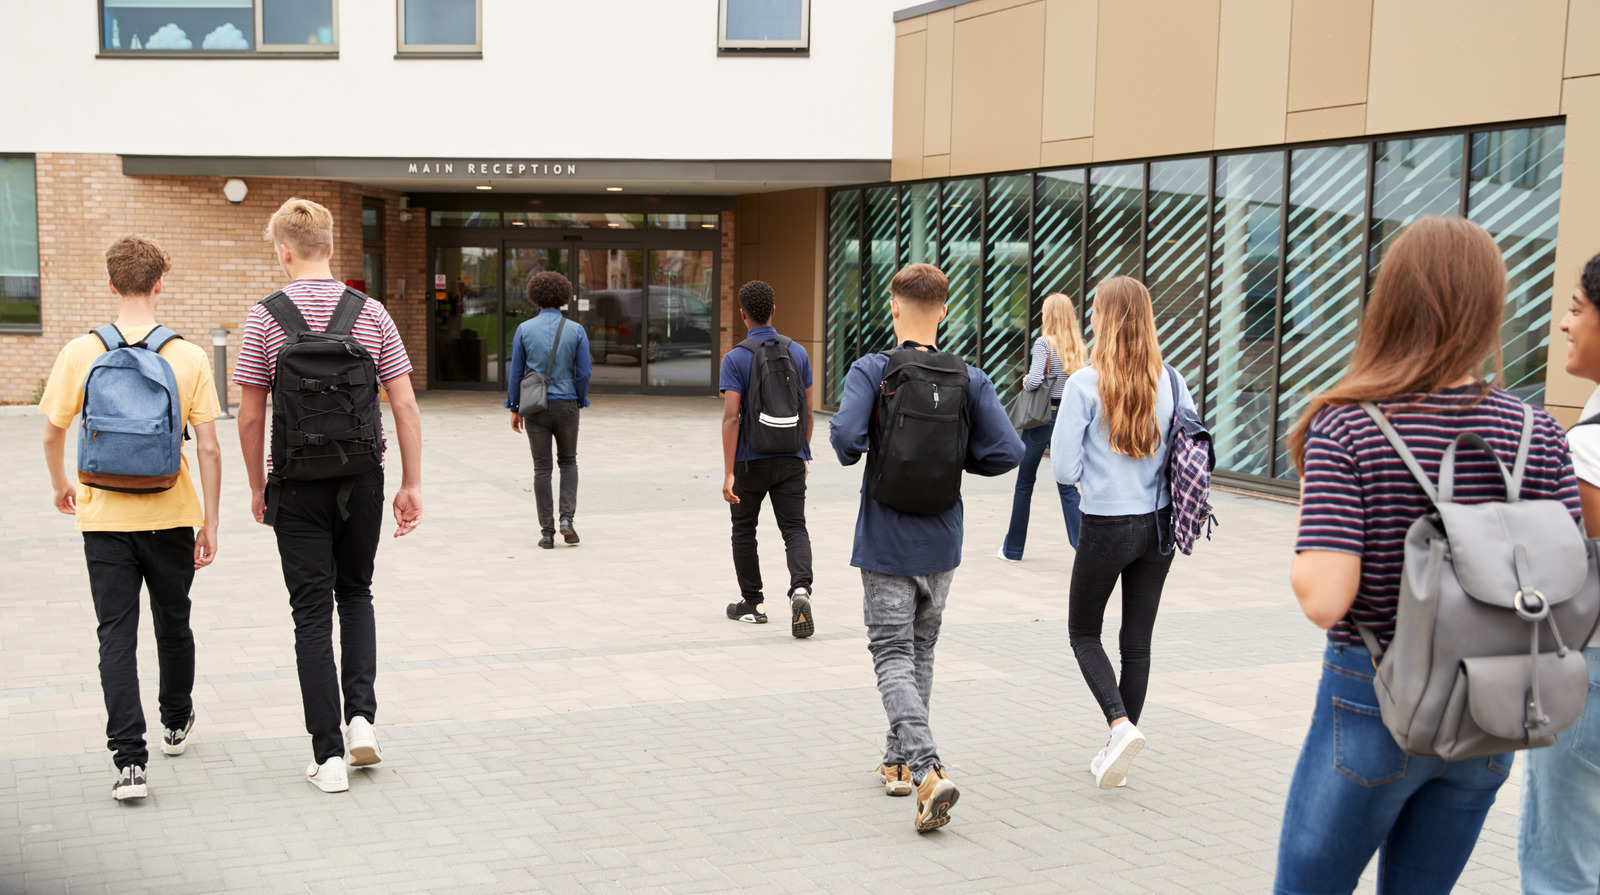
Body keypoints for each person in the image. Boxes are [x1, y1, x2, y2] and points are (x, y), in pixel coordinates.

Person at [1275, 216, 1579, 894]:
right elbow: (1570, 584)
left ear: (1390, 300)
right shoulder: (1537, 430)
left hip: (1376, 695)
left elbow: (1325, 595)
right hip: (1496, 705)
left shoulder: (1349, 423)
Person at [235, 198, 424, 794]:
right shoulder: (370, 313)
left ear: (283, 251)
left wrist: (256, 484)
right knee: (356, 592)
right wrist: (411, 484)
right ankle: (361, 719)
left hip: (294, 482)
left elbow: (247, 415)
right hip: (362, 479)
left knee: (311, 612)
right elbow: (405, 405)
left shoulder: (264, 318)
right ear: (332, 247)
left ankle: (328, 757)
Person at [829, 262, 1023, 832]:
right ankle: (895, 763)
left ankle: (927, 769)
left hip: (886, 539)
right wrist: (954, 459)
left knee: (891, 654)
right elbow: (1008, 452)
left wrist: (867, 453)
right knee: (921, 653)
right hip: (942, 540)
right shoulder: (972, 378)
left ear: (893, 306)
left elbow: (844, 437)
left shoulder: (873, 368)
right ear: (944, 310)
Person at [38, 235, 222, 800]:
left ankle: (130, 764)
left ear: (111, 283)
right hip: (170, 515)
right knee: (174, 623)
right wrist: (209, 523)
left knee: (115, 636)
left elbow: (51, 432)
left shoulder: (79, 352)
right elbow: (210, 449)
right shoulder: (187, 356)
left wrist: (62, 486)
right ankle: (175, 720)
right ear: (160, 282)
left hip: (103, 519)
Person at [1050, 276, 1194, 790]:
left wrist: (1101, 474)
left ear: (1105, 321)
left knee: (1083, 632)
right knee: (1137, 642)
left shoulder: (1085, 384)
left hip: (1106, 525)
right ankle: (1119, 748)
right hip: (1161, 526)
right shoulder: (1174, 381)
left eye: (1094, 311)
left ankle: (1118, 726)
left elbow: (1064, 470)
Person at [1520, 249, 1600, 895]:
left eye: (1577, 309)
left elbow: (1565, 568)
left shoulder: (1588, 447)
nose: (1566, 324)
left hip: (1589, 675)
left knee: (1561, 868)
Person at [719, 280, 816, 637]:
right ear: (774, 310)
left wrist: (728, 472)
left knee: (744, 529)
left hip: (749, 460)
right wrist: (802, 453)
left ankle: (753, 604)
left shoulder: (735, 358)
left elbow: (731, 417)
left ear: (742, 314)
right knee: (794, 528)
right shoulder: (799, 353)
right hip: (790, 457)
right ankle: (801, 589)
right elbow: (806, 410)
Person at [506, 271, 591, 550]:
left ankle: (546, 532)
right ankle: (567, 518)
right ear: (564, 297)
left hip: (535, 406)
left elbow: (516, 371)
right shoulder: (576, 330)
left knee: (541, 468)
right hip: (566, 403)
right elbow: (584, 372)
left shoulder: (524, 329)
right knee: (568, 462)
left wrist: (515, 407)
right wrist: (579, 399)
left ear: (535, 296)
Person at [999, 292, 1086, 562]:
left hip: (1040, 419)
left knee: (1025, 483)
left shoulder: (1043, 343)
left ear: (1050, 315)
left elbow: (1035, 380)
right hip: (1067, 419)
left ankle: (1013, 550)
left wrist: (1025, 379)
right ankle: (1083, 549)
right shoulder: (1078, 346)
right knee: (1067, 485)